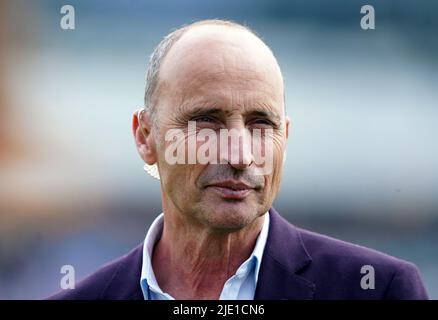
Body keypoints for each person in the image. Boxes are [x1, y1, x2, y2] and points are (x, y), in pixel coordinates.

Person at [48, 19, 428, 300]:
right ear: (145, 137)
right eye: (207, 122)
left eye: (261, 124)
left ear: (286, 138)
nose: (239, 155)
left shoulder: (378, 291)